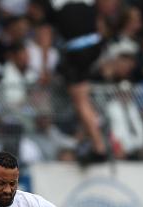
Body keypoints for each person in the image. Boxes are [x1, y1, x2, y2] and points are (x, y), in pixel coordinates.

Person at [45, 0, 108, 164]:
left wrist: (45, 67)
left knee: (80, 102)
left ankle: (99, 147)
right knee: (84, 99)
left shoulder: (55, 3)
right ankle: (93, 133)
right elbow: (100, 20)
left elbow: (45, 33)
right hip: (94, 46)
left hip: (77, 51)